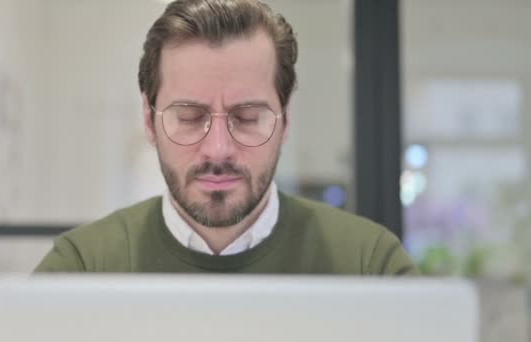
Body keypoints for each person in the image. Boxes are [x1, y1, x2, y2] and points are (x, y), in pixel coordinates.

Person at [35, 0, 418, 275]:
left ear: (285, 123)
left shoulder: (369, 265)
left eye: (247, 117)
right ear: (149, 122)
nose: (218, 148)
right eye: (189, 117)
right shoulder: (83, 267)